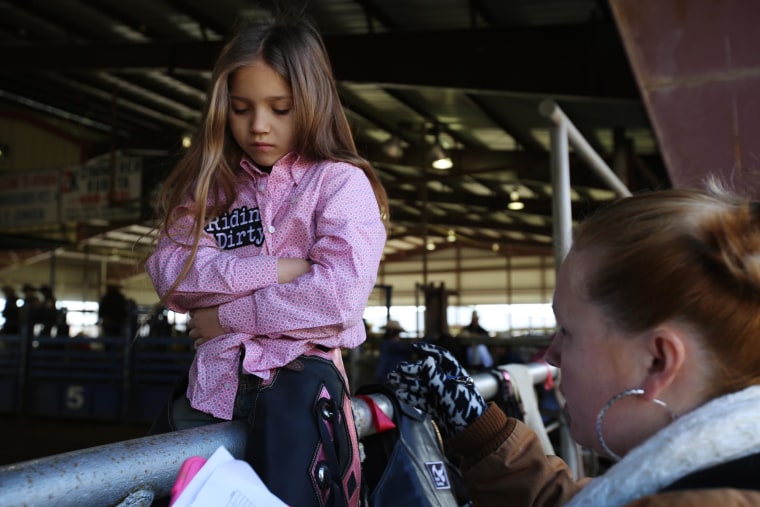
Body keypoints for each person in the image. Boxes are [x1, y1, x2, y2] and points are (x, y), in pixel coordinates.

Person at [145, 12, 387, 507]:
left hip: (297, 388)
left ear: (312, 103)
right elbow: (172, 275)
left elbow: (337, 298)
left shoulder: (339, 184)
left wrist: (225, 315)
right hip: (209, 390)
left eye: (280, 108)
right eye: (241, 108)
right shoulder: (212, 188)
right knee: (146, 485)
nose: (259, 126)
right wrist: (280, 271)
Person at [388, 185, 760, 506]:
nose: (551, 355)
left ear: (657, 361)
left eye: (567, 330)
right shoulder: (719, 476)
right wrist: (482, 431)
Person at [373, 319, 414, 384]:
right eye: (397, 333)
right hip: (388, 376)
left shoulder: (386, 343)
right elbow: (408, 348)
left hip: (385, 375)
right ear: (393, 333)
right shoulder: (391, 344)